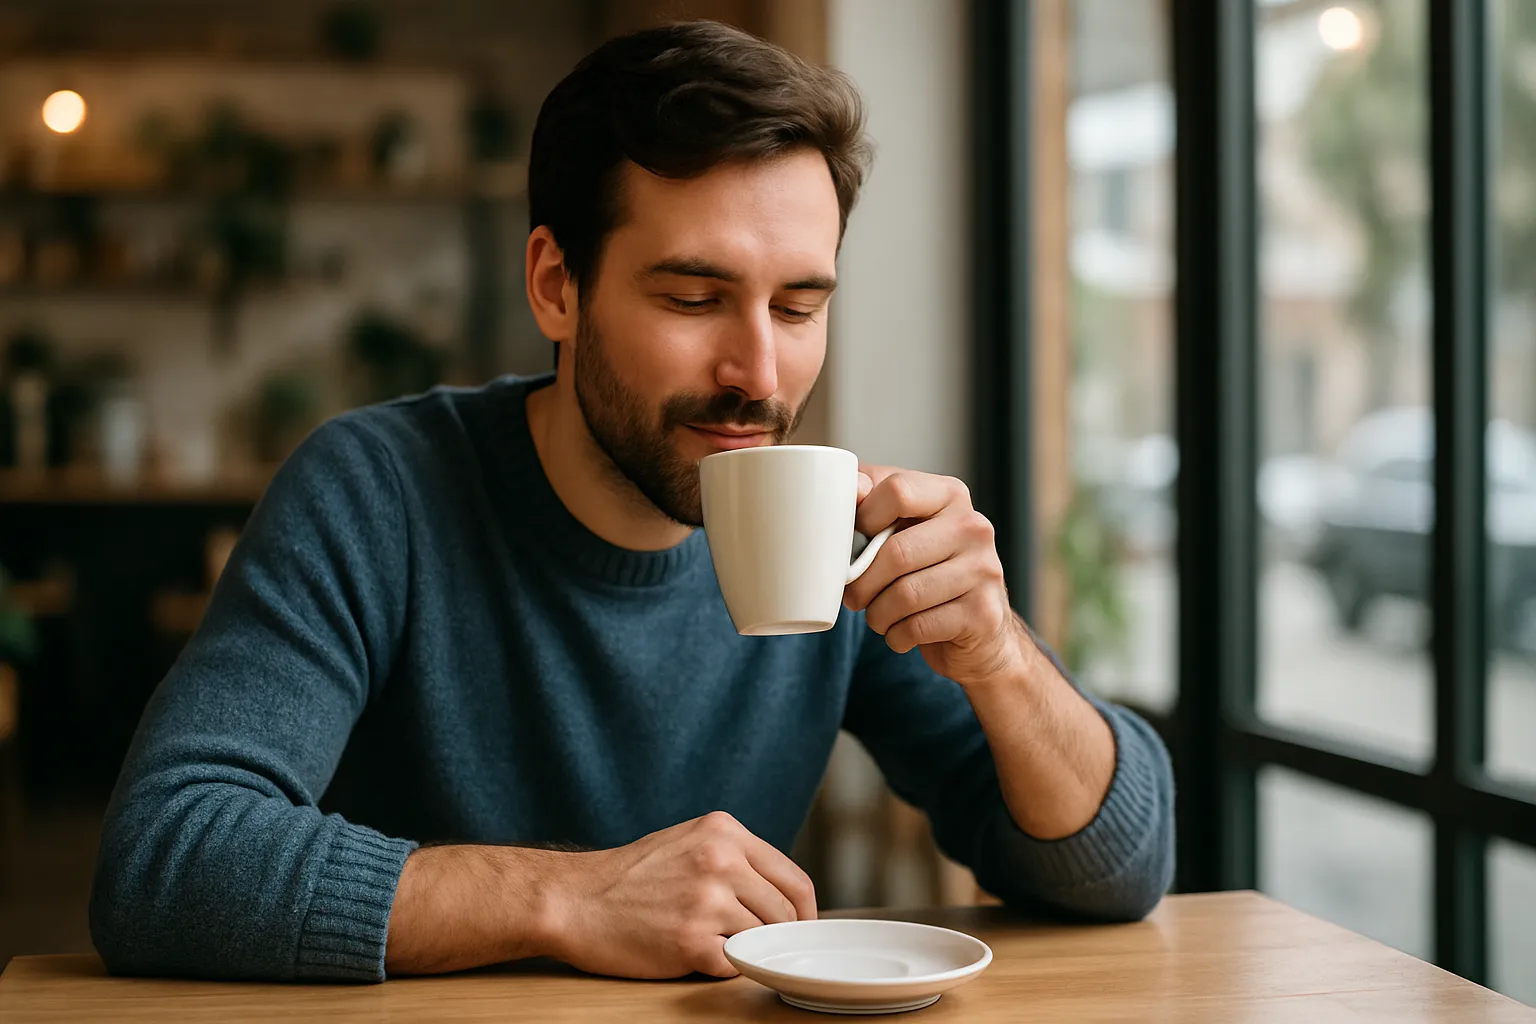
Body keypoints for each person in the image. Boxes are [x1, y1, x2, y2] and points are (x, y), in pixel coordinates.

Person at [89, 20, 1174, 983]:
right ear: (557, 285)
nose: (758, 370)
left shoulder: (840, 535)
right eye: (694, 297)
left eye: (799, 306)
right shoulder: (375, 493)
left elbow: (1118, 869)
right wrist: (567, 897)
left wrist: (1001, 657)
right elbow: (166, 857)